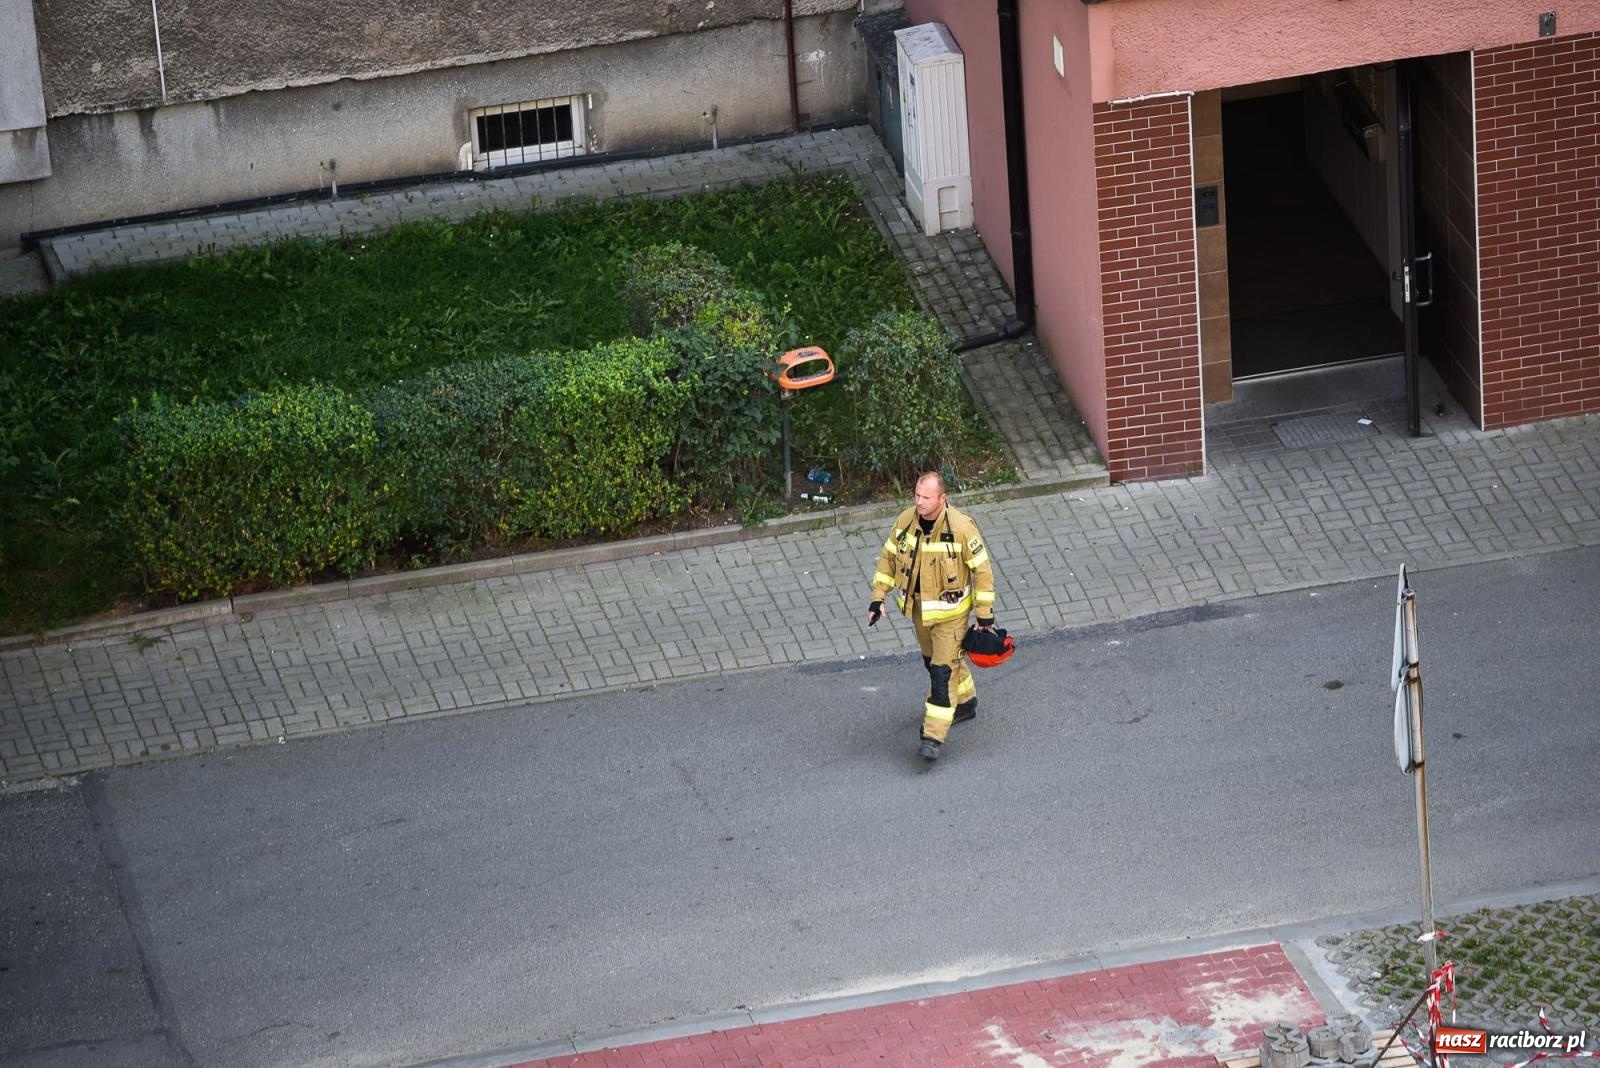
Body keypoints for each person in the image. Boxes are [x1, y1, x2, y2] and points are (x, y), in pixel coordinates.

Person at [866, 471, 996, 761]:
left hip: (952, 616)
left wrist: (984, 616)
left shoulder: (962, 528)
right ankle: (965, 702)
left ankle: (933, 735)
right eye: (917, 495)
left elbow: (983, 571)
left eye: (926, 497)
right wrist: (878, 599)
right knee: (934, 662)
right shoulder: (905, 522)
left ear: (942, 498)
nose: (919, 502)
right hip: (919, 614)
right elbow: (888, 560)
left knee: (941, 672)